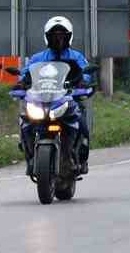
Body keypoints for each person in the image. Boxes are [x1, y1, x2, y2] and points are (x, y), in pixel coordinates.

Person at [17, 15, 93, 173]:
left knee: (81, 120)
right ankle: (29, 155)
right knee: (25, 121)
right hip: (42, 99)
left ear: (69, 37)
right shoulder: (38, 58)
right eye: (54, 36)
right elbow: (26, 72)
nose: (58, 39)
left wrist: (83, 82)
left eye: (62, 35)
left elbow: (86, 72)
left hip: (67, 98)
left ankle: (80, 155)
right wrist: (21, 83)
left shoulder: (76, 56)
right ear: (47, 37)